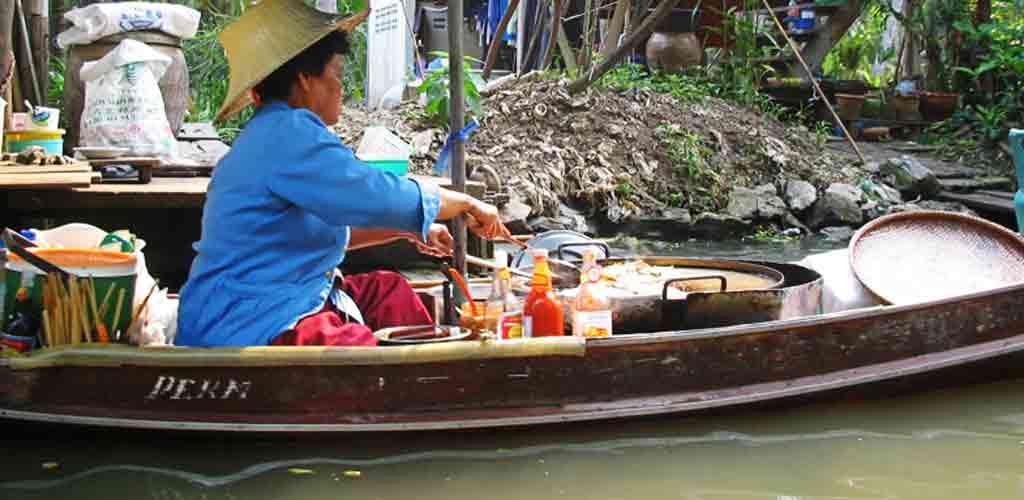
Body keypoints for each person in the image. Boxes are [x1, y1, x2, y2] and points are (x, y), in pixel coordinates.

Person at [175, 0, 512, 347]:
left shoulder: (275, 133)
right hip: (250, 319)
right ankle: (410, 390)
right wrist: (464, 202)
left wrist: (410, 229)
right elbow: (370, 194)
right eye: (336, 73)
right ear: (306, 79)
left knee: (388, 293)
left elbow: (322, 232)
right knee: (354, 348)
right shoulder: (288, 131)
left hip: (289, 298)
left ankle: (420, 383)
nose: (342, 88)